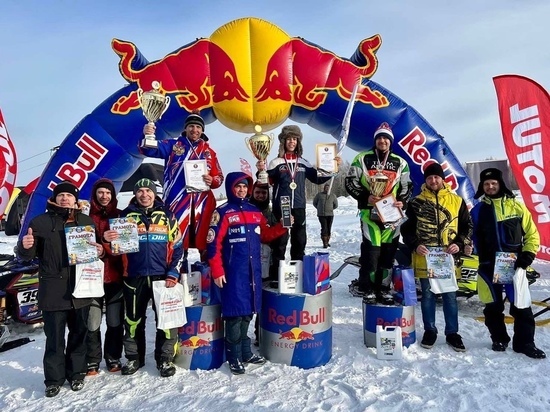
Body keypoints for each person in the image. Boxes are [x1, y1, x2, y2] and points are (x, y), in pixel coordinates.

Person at [17, 181, 104, 397]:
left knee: (78, 335)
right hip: (53, 290)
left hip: (81, 289)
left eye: (69, 195)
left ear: (76, 200)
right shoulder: (40, 222)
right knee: (54, 339)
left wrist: (100, 251)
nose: (64, 198)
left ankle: (76, 374)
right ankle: (54, 380)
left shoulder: (85, 221)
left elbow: (95, 252)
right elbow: (27, 256)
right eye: (61, 195)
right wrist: (25, 247)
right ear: (54, 199)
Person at [207, 172, 288, 374]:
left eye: (244, 186)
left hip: (253, 272)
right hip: (233, 273)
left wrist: (283, 226)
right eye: (238, 187)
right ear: (230, 189)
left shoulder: (254, 211)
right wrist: (217, 271)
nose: (242, 190)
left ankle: (245, 352)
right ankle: (233, 356)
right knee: (234, 316)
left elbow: (266, 235)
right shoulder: (223, 212)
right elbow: (213, 244)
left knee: (248, 313)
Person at [470, 168, 545, 359]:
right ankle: (499, 338)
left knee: (521, 305)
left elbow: (532, 234)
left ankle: (525, 343)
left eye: (494, 183)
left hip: (514, 266)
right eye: (486, 184)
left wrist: (527, 254)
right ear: (482, 186)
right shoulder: (477, 210)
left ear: (500, 184)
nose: (490, 186)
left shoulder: (517, 206)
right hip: (488, 266)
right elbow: (470, 237)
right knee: (492, 307)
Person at [401, 163, 472, 352]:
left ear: (443, 179)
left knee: (450, 296)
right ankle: (430, 330)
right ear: (426, 180)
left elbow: (467, 226)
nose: (433, 180)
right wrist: (415, 245)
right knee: (428, 296)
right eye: (430, 177)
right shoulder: (416, 202)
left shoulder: (457, 201)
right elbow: (406, 229)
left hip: (448, 258)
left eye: (436, 177)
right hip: (426, 258)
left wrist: (460, 242)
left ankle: (452, 333)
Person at [141, 111, 223, 271]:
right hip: (177, 202)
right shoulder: (173, 146)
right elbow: (150, 150)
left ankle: (206, 278)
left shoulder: (209, 152)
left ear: (202, 130)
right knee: (177, 240)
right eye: (191, 126)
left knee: (205, 241)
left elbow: (219, 177)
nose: (195, 130)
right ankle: (176, 275)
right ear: (185, 128)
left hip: (203, 204)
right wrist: (148, 135)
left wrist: (212, 181)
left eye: (198, 127)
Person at [118, 178, 184, 377]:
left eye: (148, 190)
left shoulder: (167, 216)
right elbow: (116, 251)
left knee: (165, 320)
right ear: (135, 194)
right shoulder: (125, 216)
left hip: (162, 277)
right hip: (134, 277)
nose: (144, 194)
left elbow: (179, 248)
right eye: (140, 191)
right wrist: (107, 240)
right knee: (132, 321)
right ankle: (133, 358)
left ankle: (164, 359)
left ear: (154, 193)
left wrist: (173, 273)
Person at [345, 122, 412, 304]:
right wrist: (366, 197)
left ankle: (384, 288)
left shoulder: (401, 162)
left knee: (388, 255)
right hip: (370, 213)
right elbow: (350, 182)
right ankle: (368, 288)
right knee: (372, 253)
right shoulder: (362, 158)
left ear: (390, 141)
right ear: (375, 140)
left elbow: (407, 186)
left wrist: (403, 201)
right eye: (379, 138)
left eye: (386, 138)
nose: (383, 141)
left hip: (391, 214)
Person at [257, 125, 338, 267]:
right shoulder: (276, 162)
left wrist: (333, 168)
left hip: (299, 207)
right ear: (283, 142)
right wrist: (260, 170)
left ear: (298, 142)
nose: (292, 142)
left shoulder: (304, 162)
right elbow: (265, 181)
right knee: (280, 242)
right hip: (282, 207)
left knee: (299, 241)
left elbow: (317, 178)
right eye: (289, 139)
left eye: (294, 139)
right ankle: (277, 274)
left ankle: (298, 271)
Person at [85, 179, 124, 375]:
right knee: (92, 321)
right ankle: (92, 360)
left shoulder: (119, 217)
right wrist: (100, 242)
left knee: (115, 321)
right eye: (101, 192)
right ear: (95, 194)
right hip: (91, 278)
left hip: (115, 277)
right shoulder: (85, 217)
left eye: (108, 193)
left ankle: (113, 356)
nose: (104, 196)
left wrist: (107, 245)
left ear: (113, 195)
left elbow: (125, 247)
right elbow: (79, 246)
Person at [313, 183, 338, 248]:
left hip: (330, 214)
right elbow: (314, 203)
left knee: (329, 228)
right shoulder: (319, 195)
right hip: (321, 215)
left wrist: (330, 209)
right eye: (326, 187)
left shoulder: (333, 196)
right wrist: (319, 208)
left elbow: (336, 205)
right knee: (324, 228)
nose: (327, 189)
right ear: (324, 188)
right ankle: (324, 242)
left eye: (328, 188)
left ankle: (327, 241)